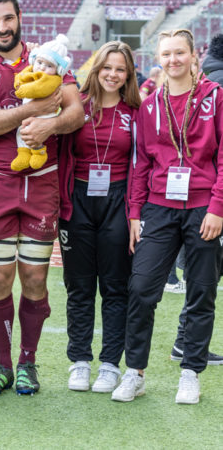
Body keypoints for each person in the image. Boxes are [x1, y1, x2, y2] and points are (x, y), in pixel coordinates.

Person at [0, 0, 84, 396]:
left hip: (42, 182)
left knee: (34, 277)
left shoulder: (47, 56)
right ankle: (2, 366)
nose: (2, 27)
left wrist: (52, 124)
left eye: (7, 18)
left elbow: (76, 111)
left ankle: (28, 363)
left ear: (19, 17)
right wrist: (35, 110)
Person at [112, 29, 223, 405]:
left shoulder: (215, 97)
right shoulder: (149, 106)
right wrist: (134, 212)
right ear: (158, 59)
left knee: (201, 291)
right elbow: (141, 164)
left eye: (179, 53)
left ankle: (191, 373)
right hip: (159, 209)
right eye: (166, 54)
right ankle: (135, 372)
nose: (173, 60)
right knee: (142, 288)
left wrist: (218, 207)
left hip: (203, 208)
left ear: (194, 56)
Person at [58, 41, 141, 393]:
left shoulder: (135, 112)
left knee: (115, 287)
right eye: (107, 67)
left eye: (120, 69)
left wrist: (136, 212)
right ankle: (79, 361)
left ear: (128, 75)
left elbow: (142, 164)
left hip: (117, 201)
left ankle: (109, 364)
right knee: (79, 286)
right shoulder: (77, 106)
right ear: (96, 68)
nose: (112, 74)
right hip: (77, 200)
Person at [11, 34, 72, 171]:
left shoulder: (53, 79)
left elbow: (38, 89)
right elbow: (21, 76)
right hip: (30, 113)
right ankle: (23, 153)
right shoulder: (34, 70)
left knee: (34, 132)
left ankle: (39, 151)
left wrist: (22, 90)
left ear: (58, 69)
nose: (42, 68)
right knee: (21, 131)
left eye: (49, 65)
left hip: (45, 115)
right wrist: (21, 80)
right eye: (39, 62)